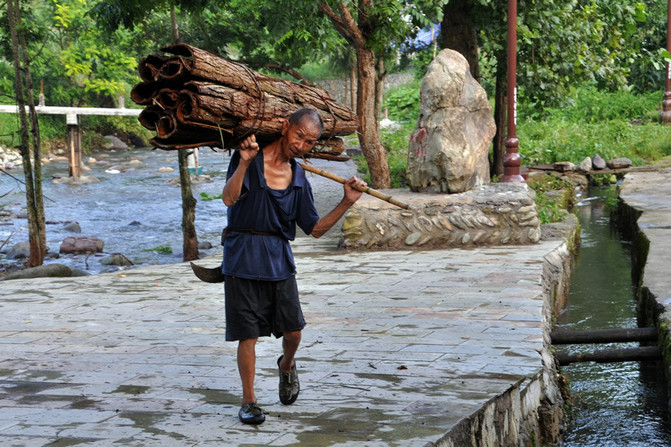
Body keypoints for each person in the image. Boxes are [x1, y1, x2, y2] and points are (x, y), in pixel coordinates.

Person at [221, 108, 367, 424]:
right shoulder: (249, 156)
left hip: (278, 257)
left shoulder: (299, 177)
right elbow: (229, 199)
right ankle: (249, 401)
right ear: (286, 127)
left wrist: (347, 202)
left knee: (294, 331)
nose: (301, 146)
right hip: (242, 255)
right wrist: (244, 162)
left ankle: (286, 365)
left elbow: (314, 229)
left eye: (310, 142)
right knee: (247, 334)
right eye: (299, 136)